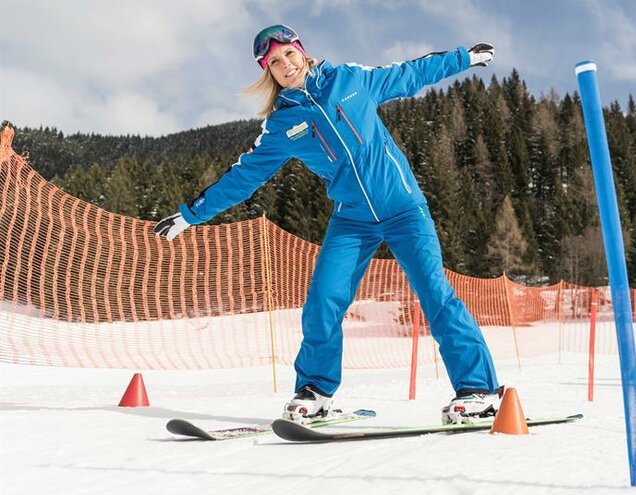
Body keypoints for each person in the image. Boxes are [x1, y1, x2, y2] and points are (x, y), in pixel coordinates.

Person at [154, 25, 502, 424]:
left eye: (288, 54)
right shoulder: (283, 125)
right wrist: (190, 215)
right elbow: (242, 177)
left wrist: (464, 58)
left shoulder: (350, 80)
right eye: (275, 62)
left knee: (435, 295)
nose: (286, 65)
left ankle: (478, 391)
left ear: (302, 51)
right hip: (352, 219)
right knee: (323, 301)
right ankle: (315, 391)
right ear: (268, 71)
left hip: (404, 207)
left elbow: (410, 73)